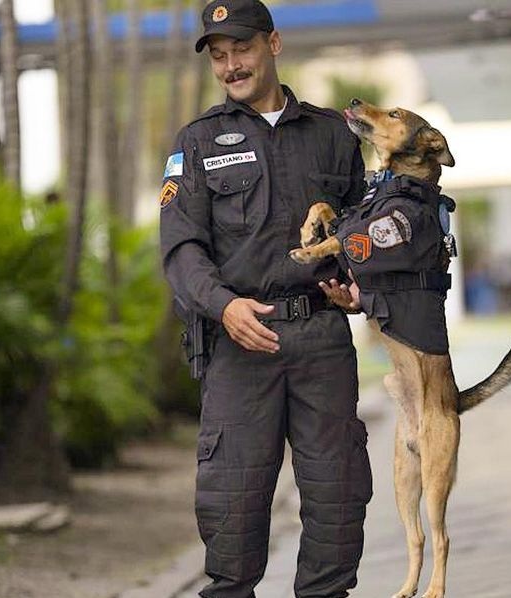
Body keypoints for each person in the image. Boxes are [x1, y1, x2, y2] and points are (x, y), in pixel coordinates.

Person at [158, 1, 371, 596]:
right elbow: (181, 250)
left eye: (241, 50)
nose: (230, 66)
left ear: (272, 44)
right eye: (219, 57)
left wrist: (354, 284)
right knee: (232, 510)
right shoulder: (197, 143)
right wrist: (223, 305)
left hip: (322, 339)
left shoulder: (332, 134)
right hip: (240, 343)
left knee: (338, 495)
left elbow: (356, 230)